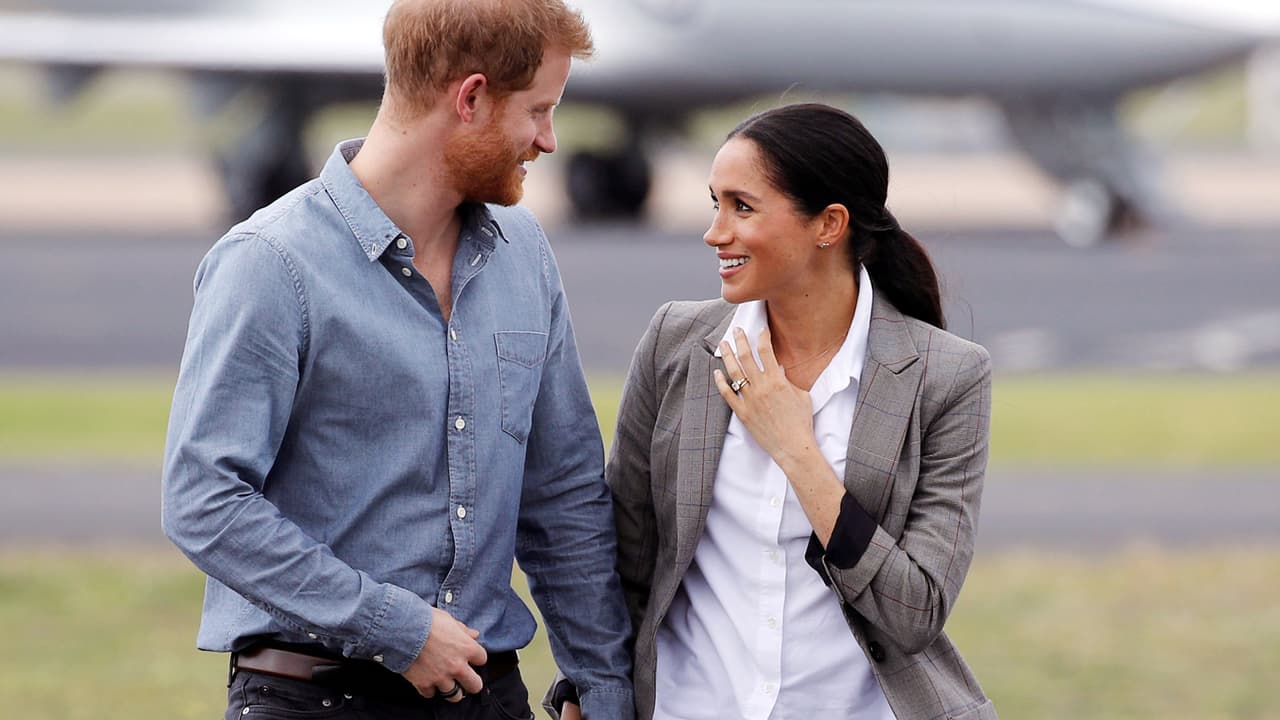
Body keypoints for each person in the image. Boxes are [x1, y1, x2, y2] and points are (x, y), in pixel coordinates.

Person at [160, 1, 634, 718]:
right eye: (538, 111)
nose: (549, 140)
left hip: (487, 697)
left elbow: (562, 497)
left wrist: (604, 692)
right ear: (471, 98)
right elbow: (204, 499)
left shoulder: (525, 254)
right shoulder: (271, 263)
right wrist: (397, 629)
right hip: (311, 699)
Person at [566, 103, 996, 720]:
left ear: (829, 224)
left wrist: (797, 451)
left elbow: (916, 613)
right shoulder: (676, 343)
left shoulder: (947, 375)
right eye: (716, 203)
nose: (716, 231)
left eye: (742, 207)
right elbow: (626, 562)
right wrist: (589, 690)